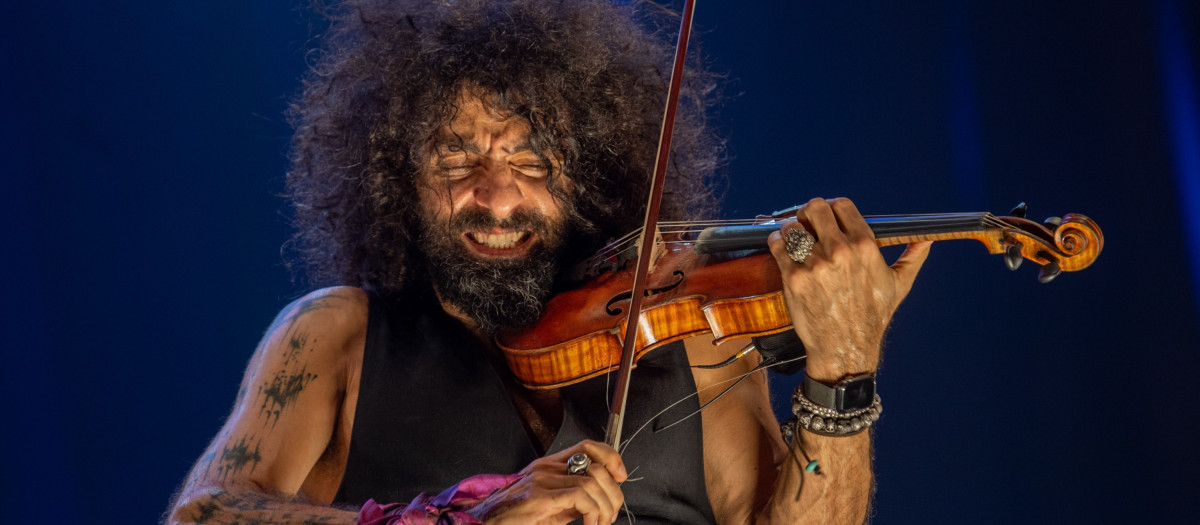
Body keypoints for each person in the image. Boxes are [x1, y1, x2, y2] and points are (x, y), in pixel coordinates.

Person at [166, 1, 931, 524]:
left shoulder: (695, 340)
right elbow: (203, 513)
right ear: (398, 178)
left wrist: (844, 370)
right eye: (455, 156)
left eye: (535, 161)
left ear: (590, 172)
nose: (496, 197)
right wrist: (460, 515)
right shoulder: (337, 336)